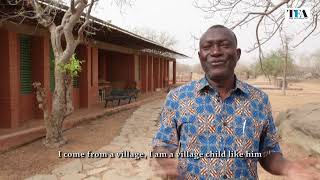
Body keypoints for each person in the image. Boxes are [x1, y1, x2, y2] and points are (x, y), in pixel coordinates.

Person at [152, 25, 320, 179]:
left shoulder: (259, 100)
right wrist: (165, 160)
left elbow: (268, 153)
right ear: (200, 56)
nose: (215, 52)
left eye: (224, 45)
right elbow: (162, 144)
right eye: (207, 47)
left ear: (237, 54)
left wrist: (288, 167)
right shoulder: (178, 98)